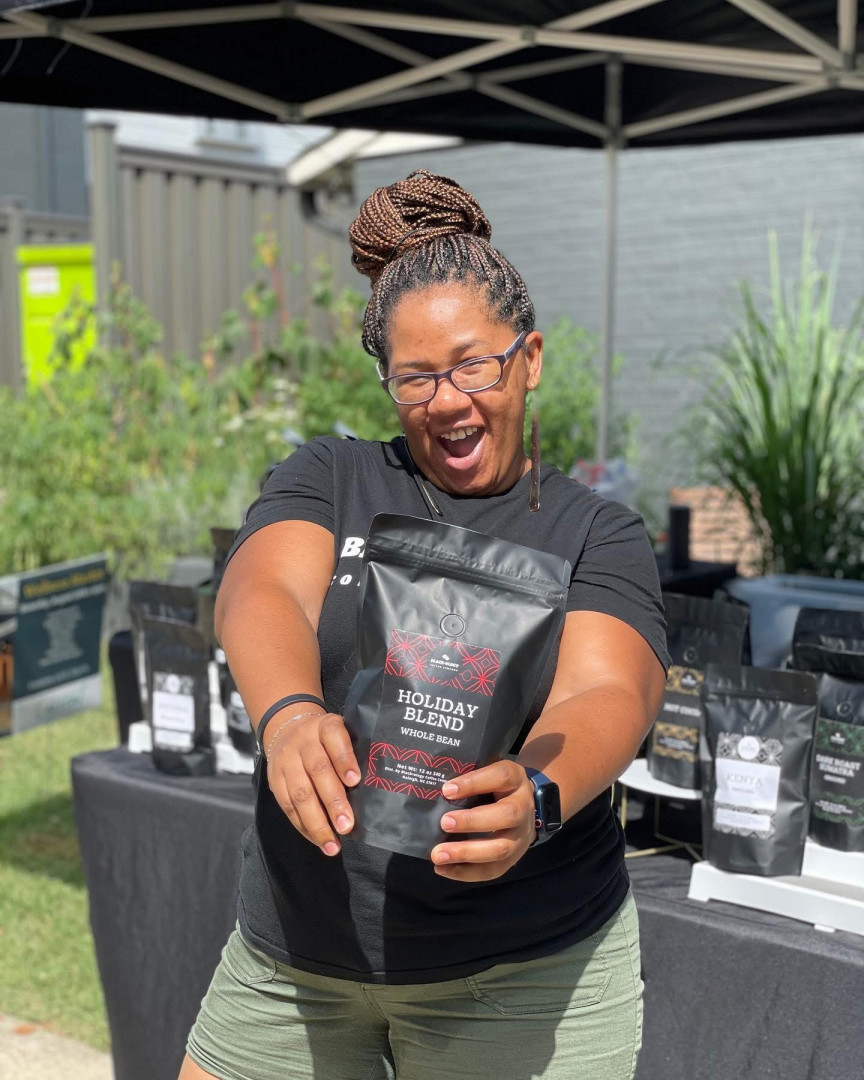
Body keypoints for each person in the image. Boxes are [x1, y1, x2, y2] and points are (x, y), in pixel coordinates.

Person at [179, 170, 669, 1080]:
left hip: (522, 976)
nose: (447, 399)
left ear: (530, 358)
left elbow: (610, 690)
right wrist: (287, 714)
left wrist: (539, 794)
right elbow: (262, 591)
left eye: (474, 365)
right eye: (416, 378)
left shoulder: (595, 532)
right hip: (293, 965)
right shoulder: (334, 477)